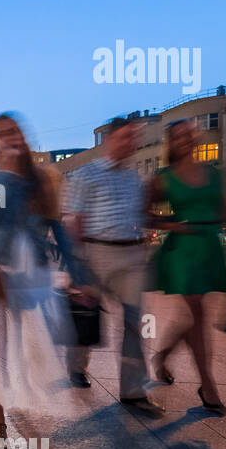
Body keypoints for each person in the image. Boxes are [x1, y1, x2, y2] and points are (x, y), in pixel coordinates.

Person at [0, 114, 91, 444]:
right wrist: (5, 174)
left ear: (23, 137)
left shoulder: (42, 179)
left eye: (13, 132)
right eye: (1, 135)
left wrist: (78, 274)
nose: (9, 139)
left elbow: (57, 227)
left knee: (35, 349)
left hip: (31, 276)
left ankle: (20, 397)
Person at [63, 116, 163, 416]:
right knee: (87, 314)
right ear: (110, 140)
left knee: (135, 323)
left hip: (131, 255)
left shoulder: (136, 178)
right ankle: (76, 365)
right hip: (96, 252)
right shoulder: (85, 174)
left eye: (134, 138)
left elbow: (143, 216)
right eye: (124, 137)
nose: (130, 143)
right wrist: (77, 270)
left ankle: (133, 391)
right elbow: (74, 221)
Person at [145, 119, 226, 415]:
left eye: (186, 134)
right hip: (182, 250)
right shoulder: (163, 177)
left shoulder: (214, 174)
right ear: (171, 142)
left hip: (209, 247)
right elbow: (145, 215)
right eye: (176, 136)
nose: (182, 139)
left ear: (195, 138)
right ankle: (208, 384)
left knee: (196, 316)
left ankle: (163, 356)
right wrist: (173, 225)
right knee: (199, 313)